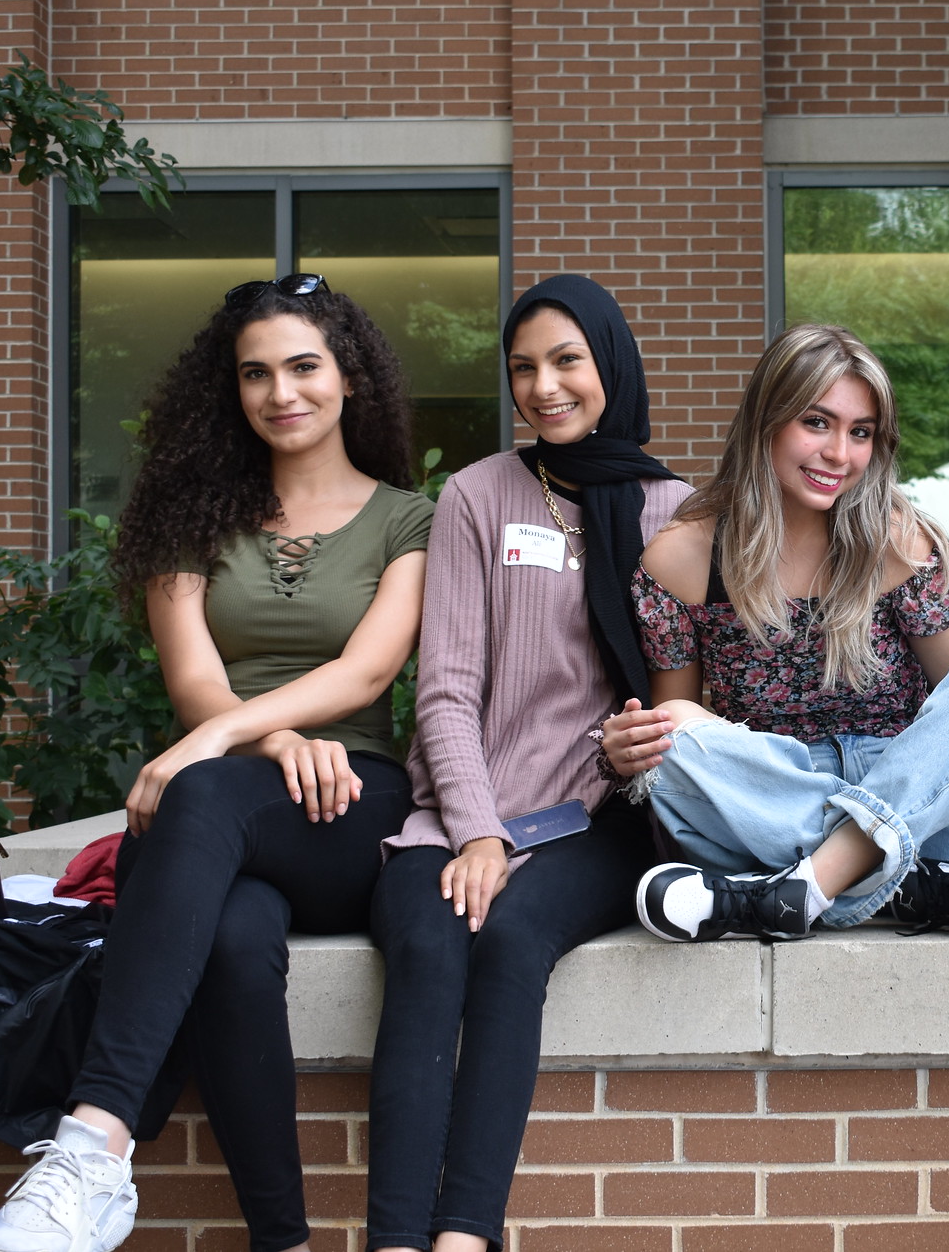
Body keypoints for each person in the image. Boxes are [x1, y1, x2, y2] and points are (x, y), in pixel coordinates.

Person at [0, 275, 433, 1252]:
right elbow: (194, 684)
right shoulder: (189, 520)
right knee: (227, 936)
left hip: (349, 800)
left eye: (303, 366)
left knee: (196, 794)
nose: (281, 392)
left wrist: (218, 745)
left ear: (349, 377)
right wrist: (256, 737)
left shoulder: (409, 519)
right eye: (255, 373)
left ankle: (91, 1142)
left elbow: (367, 669)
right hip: (226, 803)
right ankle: (282, 1241)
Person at [363, 275, 690, 1252]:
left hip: (598, 819)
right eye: (522, 369)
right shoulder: (474, 496)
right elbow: (446, 690)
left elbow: (692, 695)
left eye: (565, 362)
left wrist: (651, 743)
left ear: (610, 368)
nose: (542, 387)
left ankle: (465, 1237)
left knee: (510, 942)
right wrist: (476, 831)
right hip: (463, 811)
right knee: (426, 946)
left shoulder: (673, 512)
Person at [602, 322, 949, 941]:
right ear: (765, 421)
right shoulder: (687, 557)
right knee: (670, 735)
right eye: (816, 422)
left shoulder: (897, 540)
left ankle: (795, 890)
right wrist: (629, 748)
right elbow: (678, 712)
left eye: (860, 433)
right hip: (775, 797)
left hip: (915, 791)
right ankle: (915, 888)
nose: (839, 453)